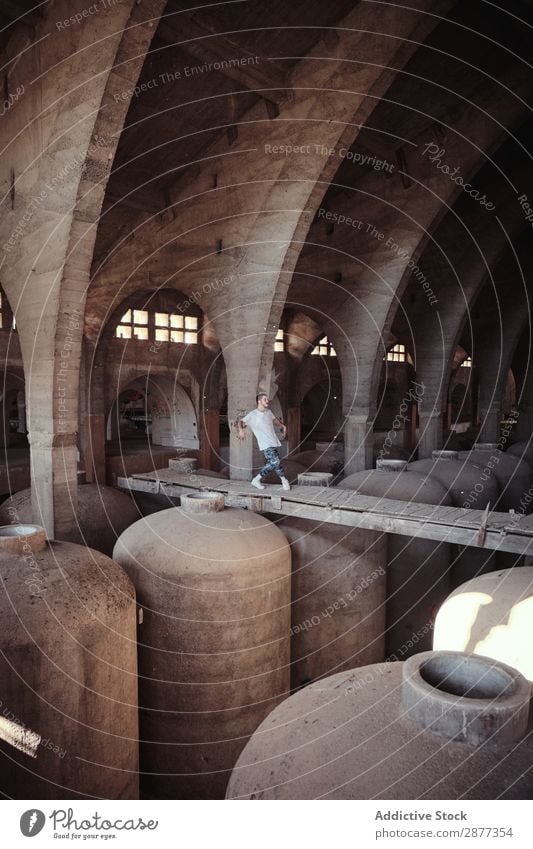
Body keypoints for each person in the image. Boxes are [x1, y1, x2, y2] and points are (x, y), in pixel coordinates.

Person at [237, 394, 291, 490]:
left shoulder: (269, 412)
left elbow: (275, 421)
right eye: (265, 399)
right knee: (275, 461)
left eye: (267, 399)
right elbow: (240, 422)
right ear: (259, 401)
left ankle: (261, 480)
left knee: (275, 463)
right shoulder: (253, 414)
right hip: (265, 443)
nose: (267, 401)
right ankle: (281, 480)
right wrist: (241, 430)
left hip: (273, 441)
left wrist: (283, 426)